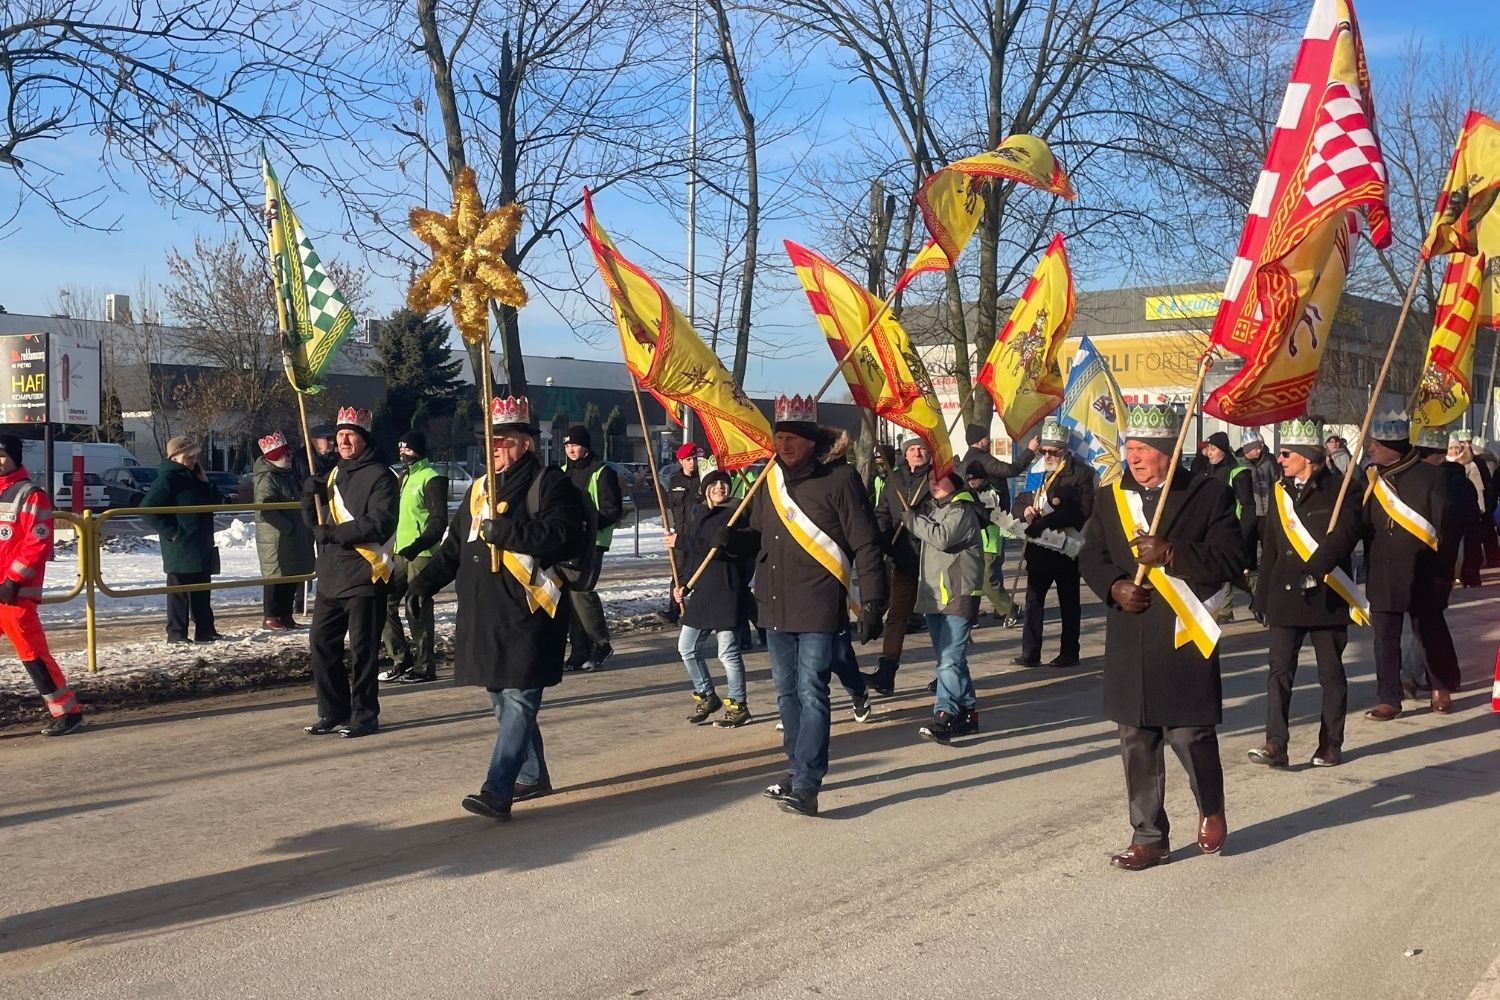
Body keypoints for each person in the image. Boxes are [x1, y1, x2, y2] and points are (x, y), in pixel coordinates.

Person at [1078, 404, 1245, 871]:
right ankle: (1149, 837)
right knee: (1136, 738)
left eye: (1143, 449)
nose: (1133, 457)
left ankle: (1211, 807)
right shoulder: (1110, 497)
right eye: (1129, 448)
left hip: (1182, 633)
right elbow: (1091, 555)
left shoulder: (1207, 494)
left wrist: (1173, 552)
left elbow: (1232, 558)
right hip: (1131, 633)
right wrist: (1114, 586)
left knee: (1190, 734)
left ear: (1168, 452)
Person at [410, 396, 586, 820]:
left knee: (520, 699)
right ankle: (532, 774)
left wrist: (506, 532)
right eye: (489, 440)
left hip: (529, 611)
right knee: (502, 701)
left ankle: (498, 789)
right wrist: (424, 583)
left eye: (503, 440)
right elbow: (454, 548)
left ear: (525, 443)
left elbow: (561, 534)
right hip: (486, 612)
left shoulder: (549, 483)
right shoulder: (478, 490)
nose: (494, 448)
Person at [732, 395, 887, 818]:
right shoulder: (769, 480)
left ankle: (807, 784)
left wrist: (874, 601)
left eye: (792, 439)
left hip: (819, 602)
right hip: (774, 604)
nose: (783, 446)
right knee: (786, 695)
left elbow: (866, 542)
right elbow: (758, 535)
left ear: (811, 442)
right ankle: (797, 767)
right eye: (779, 438)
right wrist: (731, 543)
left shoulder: (840, 478)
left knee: (811, 690)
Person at [1247, 419, 1362, 769]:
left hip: (1326, 592)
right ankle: (1275, 744)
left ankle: (1330, 744)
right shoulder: (1279, 491)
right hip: (1285, 594)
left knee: (1331, 674)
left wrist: (1317, 568)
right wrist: (1261, 595)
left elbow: (1346, 535)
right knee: (1279, 672)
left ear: (1307, 456)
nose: (1280, 459)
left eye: (1286, 453)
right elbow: (1271, 548)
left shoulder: (1343, 489)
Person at [300, 406, 397, 739]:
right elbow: (315, 524)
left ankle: (365, 715)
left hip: (364, 574)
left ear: (363, 438)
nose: (342, 441)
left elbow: (379, 523)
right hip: (330, 576)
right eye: (339, 435)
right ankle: (332, 710)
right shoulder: (331, 475)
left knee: (362, 651)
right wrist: (308, 496)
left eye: (349, 435)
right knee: (321, 644)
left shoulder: (382, 476)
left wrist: (335, 534)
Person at [1360, 412, 1460, 720]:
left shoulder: (1432, 477)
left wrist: (1445, 574)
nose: (1371, 449)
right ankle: (1389, 697)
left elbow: (1446, 530)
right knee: (1384, 639)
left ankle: (1439, 686)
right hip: (1382, 570)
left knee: (1429, 633)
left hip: (1422, 571)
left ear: (1396, 447)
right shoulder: (1368, 479)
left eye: (1377, 444)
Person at [0, 435, 83, 736]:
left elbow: (36, 544)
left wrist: (12, 580)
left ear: (15, 457)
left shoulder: (31, 495)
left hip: (15, 595)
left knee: (32, 654)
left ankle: (68, 712)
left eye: (2, 455)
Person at [667, 469, 754, 727]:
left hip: (727, 590)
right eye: (714, 484)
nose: (720, 487)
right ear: (705, 489)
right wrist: (683, 585)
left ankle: (738, 704)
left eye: (724, 484)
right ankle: (707, 695)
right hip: (703, 592)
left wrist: (681, 541)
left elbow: (718, 550)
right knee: (686, 647)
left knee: (727, 652)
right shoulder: (700, 515)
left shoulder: (736, 514)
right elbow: (696, 558)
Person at [902, 468, 984, 742]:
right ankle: (968, 712)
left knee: (949, 660)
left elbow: (942, 538)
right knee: (950, 659)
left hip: (958, 593)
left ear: (955, 482)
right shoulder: (936, 510)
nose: (934, 483)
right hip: (936, 596)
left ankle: (944, 714)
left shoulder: (962, 510)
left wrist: (913, 521)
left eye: (940, 478)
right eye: (930, 480)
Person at [1012, 418, 1094, 668]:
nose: (1047, 456)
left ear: (1065, 451)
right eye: (1044, 451)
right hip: (1038, 547)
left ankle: (1069, 653)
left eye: (1053, 452)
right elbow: (1019, 502)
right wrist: (1024, 512)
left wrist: (1044, 521)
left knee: (1069, 602)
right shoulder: (1037, 472)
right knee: (1033, 601)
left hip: (1065, 547)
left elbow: (1082, 511)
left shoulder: (1081, 474)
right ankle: (1030, 652)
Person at [378, 430, 448, 684]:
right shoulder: (404, 476)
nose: (403, 453)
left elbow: (439, 522)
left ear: (418, 450)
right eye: (400, 449)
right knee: (383, 601)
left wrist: (418, 545)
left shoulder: (432, 477)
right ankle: (400, 658)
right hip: (399, 551)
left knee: (416, 606)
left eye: (407, 449)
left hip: (421, 553)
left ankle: (424, 666)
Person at [141, 434, 220, 644]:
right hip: (181, 546)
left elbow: (217, 502)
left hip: (200, 542)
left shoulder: (195, 477)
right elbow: (147, 509)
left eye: (194, 456)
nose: (193, 460)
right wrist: (172, 532)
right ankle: (176, 633)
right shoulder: (167, 479)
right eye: (188, 457)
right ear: (174, 457)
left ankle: (205, 630)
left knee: (202, 589)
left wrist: (206, 483)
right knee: (179, 592)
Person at [867, 436, 931, 694]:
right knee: (897, 616)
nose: (917, 453)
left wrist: (917, 520)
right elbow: (882, 513)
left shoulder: (937, 478)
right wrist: (884, 540)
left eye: (921, 448)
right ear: (905, 454)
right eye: (912, 449)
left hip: (934, 561)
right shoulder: (894, 480)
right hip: (904, 559)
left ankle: (949, 672)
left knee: (941, 619)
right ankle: (887, 671)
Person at [961, 423, 1037, 628]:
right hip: (990, 526)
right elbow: (1011, 470)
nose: (989, 440)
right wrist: (1030, 451)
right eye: (987, 437)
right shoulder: (981, 459)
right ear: (981, 440)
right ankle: (1009, 609)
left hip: (986, 526)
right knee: (988, 575)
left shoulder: (969, 459)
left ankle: (992, 609)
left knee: (991, 569)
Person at [560, 424, 622, 672]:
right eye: (567, 445)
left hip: (593, 542)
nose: (571, 449)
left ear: (585, 446)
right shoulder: (562, 473)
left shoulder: (602, 472)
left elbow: (612, 510)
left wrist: (588, 524)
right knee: (570, 595)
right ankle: (579, 650)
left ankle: (600, 642)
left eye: (575, 444)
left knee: (581, 591)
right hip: (568, 542)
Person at [252, 431, 314, 630]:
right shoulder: (267, 478)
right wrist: (289, 527)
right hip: (276, 537)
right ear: (275, 456)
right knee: (275, 576)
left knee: (291, 575)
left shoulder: (288, 475)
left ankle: (286, 614)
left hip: (292, 536)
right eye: (286, 454)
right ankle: (271, 615)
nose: (290, 457)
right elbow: (266, 509)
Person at [1192, 430, 1257, 619]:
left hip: (1231, 530)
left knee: (1236, 573)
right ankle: (1224, 610)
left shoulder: (1238, 473)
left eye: (1213, 449)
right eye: (1208, 449)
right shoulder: (1207, 470)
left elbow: (1248, 506)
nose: (1209, 453)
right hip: (1210, 529)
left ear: (1222, 450)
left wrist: (1243, 533)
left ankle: (1261, 598)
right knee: (1218, 570)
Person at [965, 462, 1018, 625]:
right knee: (977, 580)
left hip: (991, 542)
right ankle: (977, 613)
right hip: (976, 543)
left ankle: (1010, 610)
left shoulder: (991, 493)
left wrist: (972, 506)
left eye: (975, 479)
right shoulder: (969, 493)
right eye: (969, 480)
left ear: (983, 478)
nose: (972, 482)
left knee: (988, 581)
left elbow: (988, 515)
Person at [660, 443, 703, 624]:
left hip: (699, 534)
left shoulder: (704, 479)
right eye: (688, 460)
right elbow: (671, 505)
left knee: (699, 572)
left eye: (694, 459)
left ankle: (699, 608)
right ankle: (674, 609)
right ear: (681, 461)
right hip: (680, 533)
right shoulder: (674, 480)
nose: (692, 463)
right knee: (678, 572)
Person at [1447, 431, 1488, 587]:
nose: (1454, 451)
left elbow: (1478, 489)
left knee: (1468, 547)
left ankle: (1468, 575)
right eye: (1451, 448)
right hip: (1449, 513)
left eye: (1456, 448)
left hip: (1467, 511)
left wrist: (1481, 509)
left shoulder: (1470, 465)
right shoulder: (1440, 467)